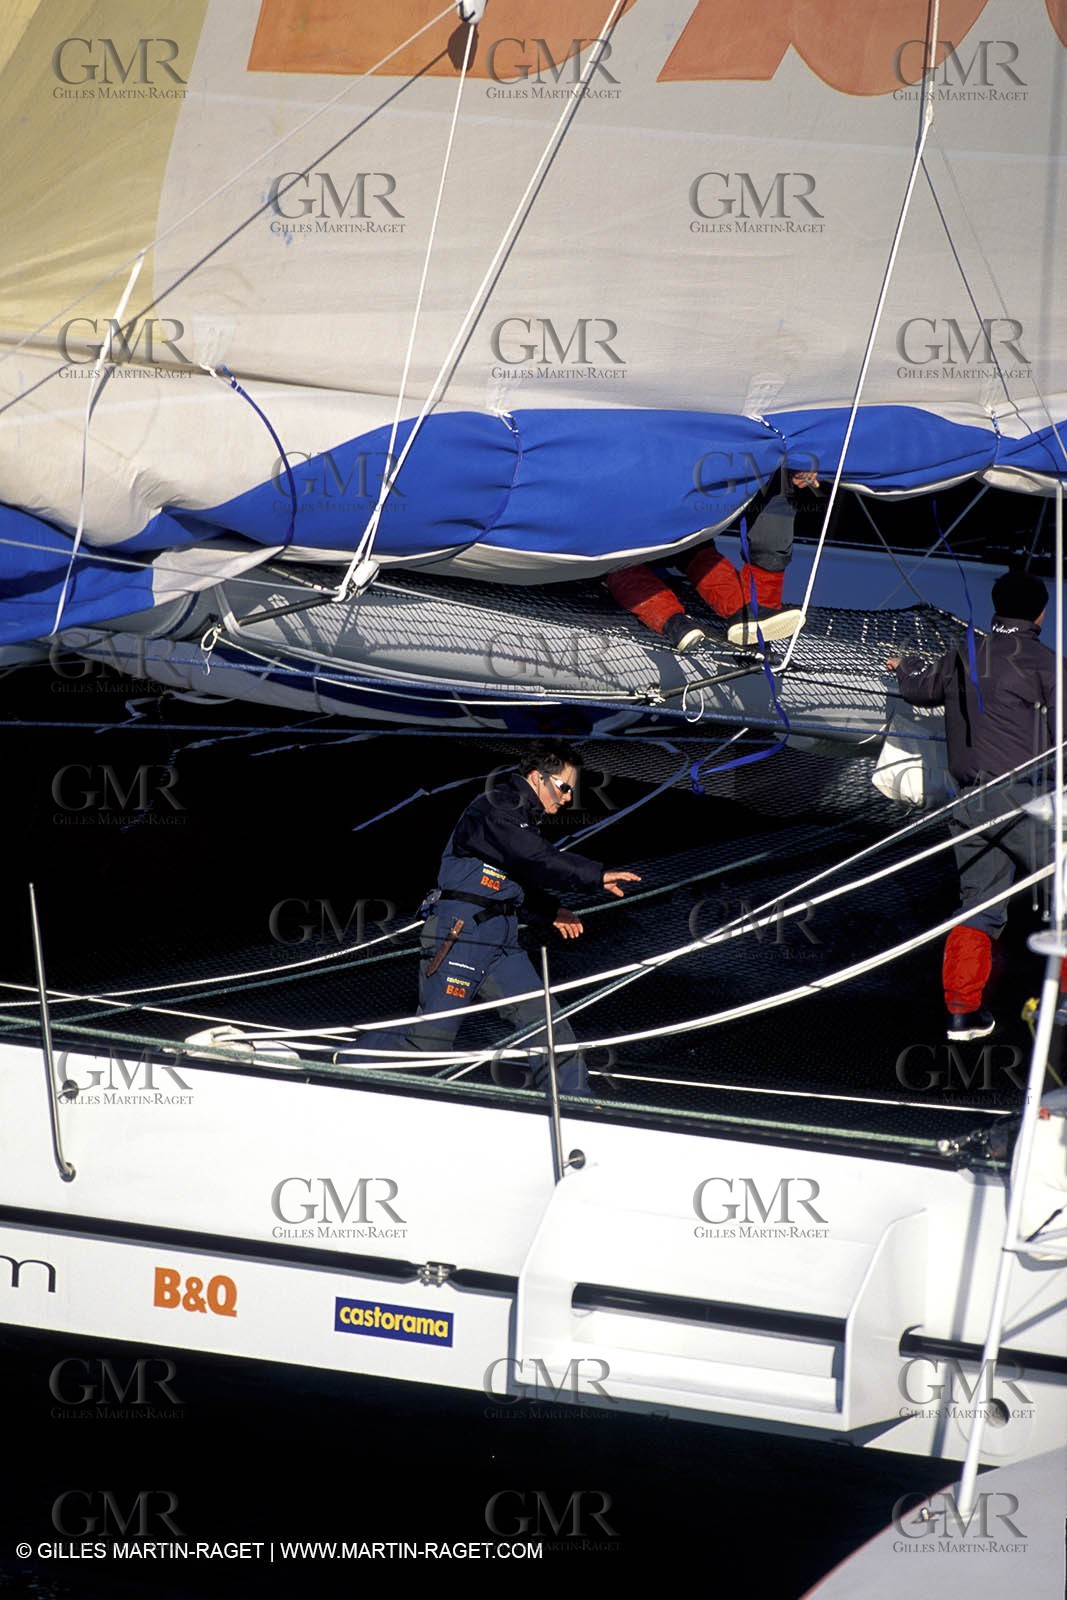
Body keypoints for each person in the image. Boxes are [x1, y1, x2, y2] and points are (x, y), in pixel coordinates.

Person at [354, 742, 640, 1094]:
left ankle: (574, 1102)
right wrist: (597, 875)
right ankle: (348, 1063)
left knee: (547, 1025)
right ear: (538, 778)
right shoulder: (499, 805)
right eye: (565, 787)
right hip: (461, 936)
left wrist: (550, 911)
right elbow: (535, 859)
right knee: (430, 1044)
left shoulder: (520, 817)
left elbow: (511, 878)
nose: (568, 798)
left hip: (501, 942)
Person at [887, 571, 1061, 1041]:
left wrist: (904, 665)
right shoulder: (1047, 663)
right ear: (1041, 613)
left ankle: (963, 1012)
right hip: (1026, 800)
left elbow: (918, 690)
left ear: (996, 607)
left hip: (970, 803)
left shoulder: (964, 652)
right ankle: (1061, 1007)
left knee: (979, 909)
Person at [604, 469, 821, 651]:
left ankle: (677, 625)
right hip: (659, 513)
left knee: (618, 564)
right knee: (696, 555)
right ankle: (745, 619)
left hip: (631, 516)